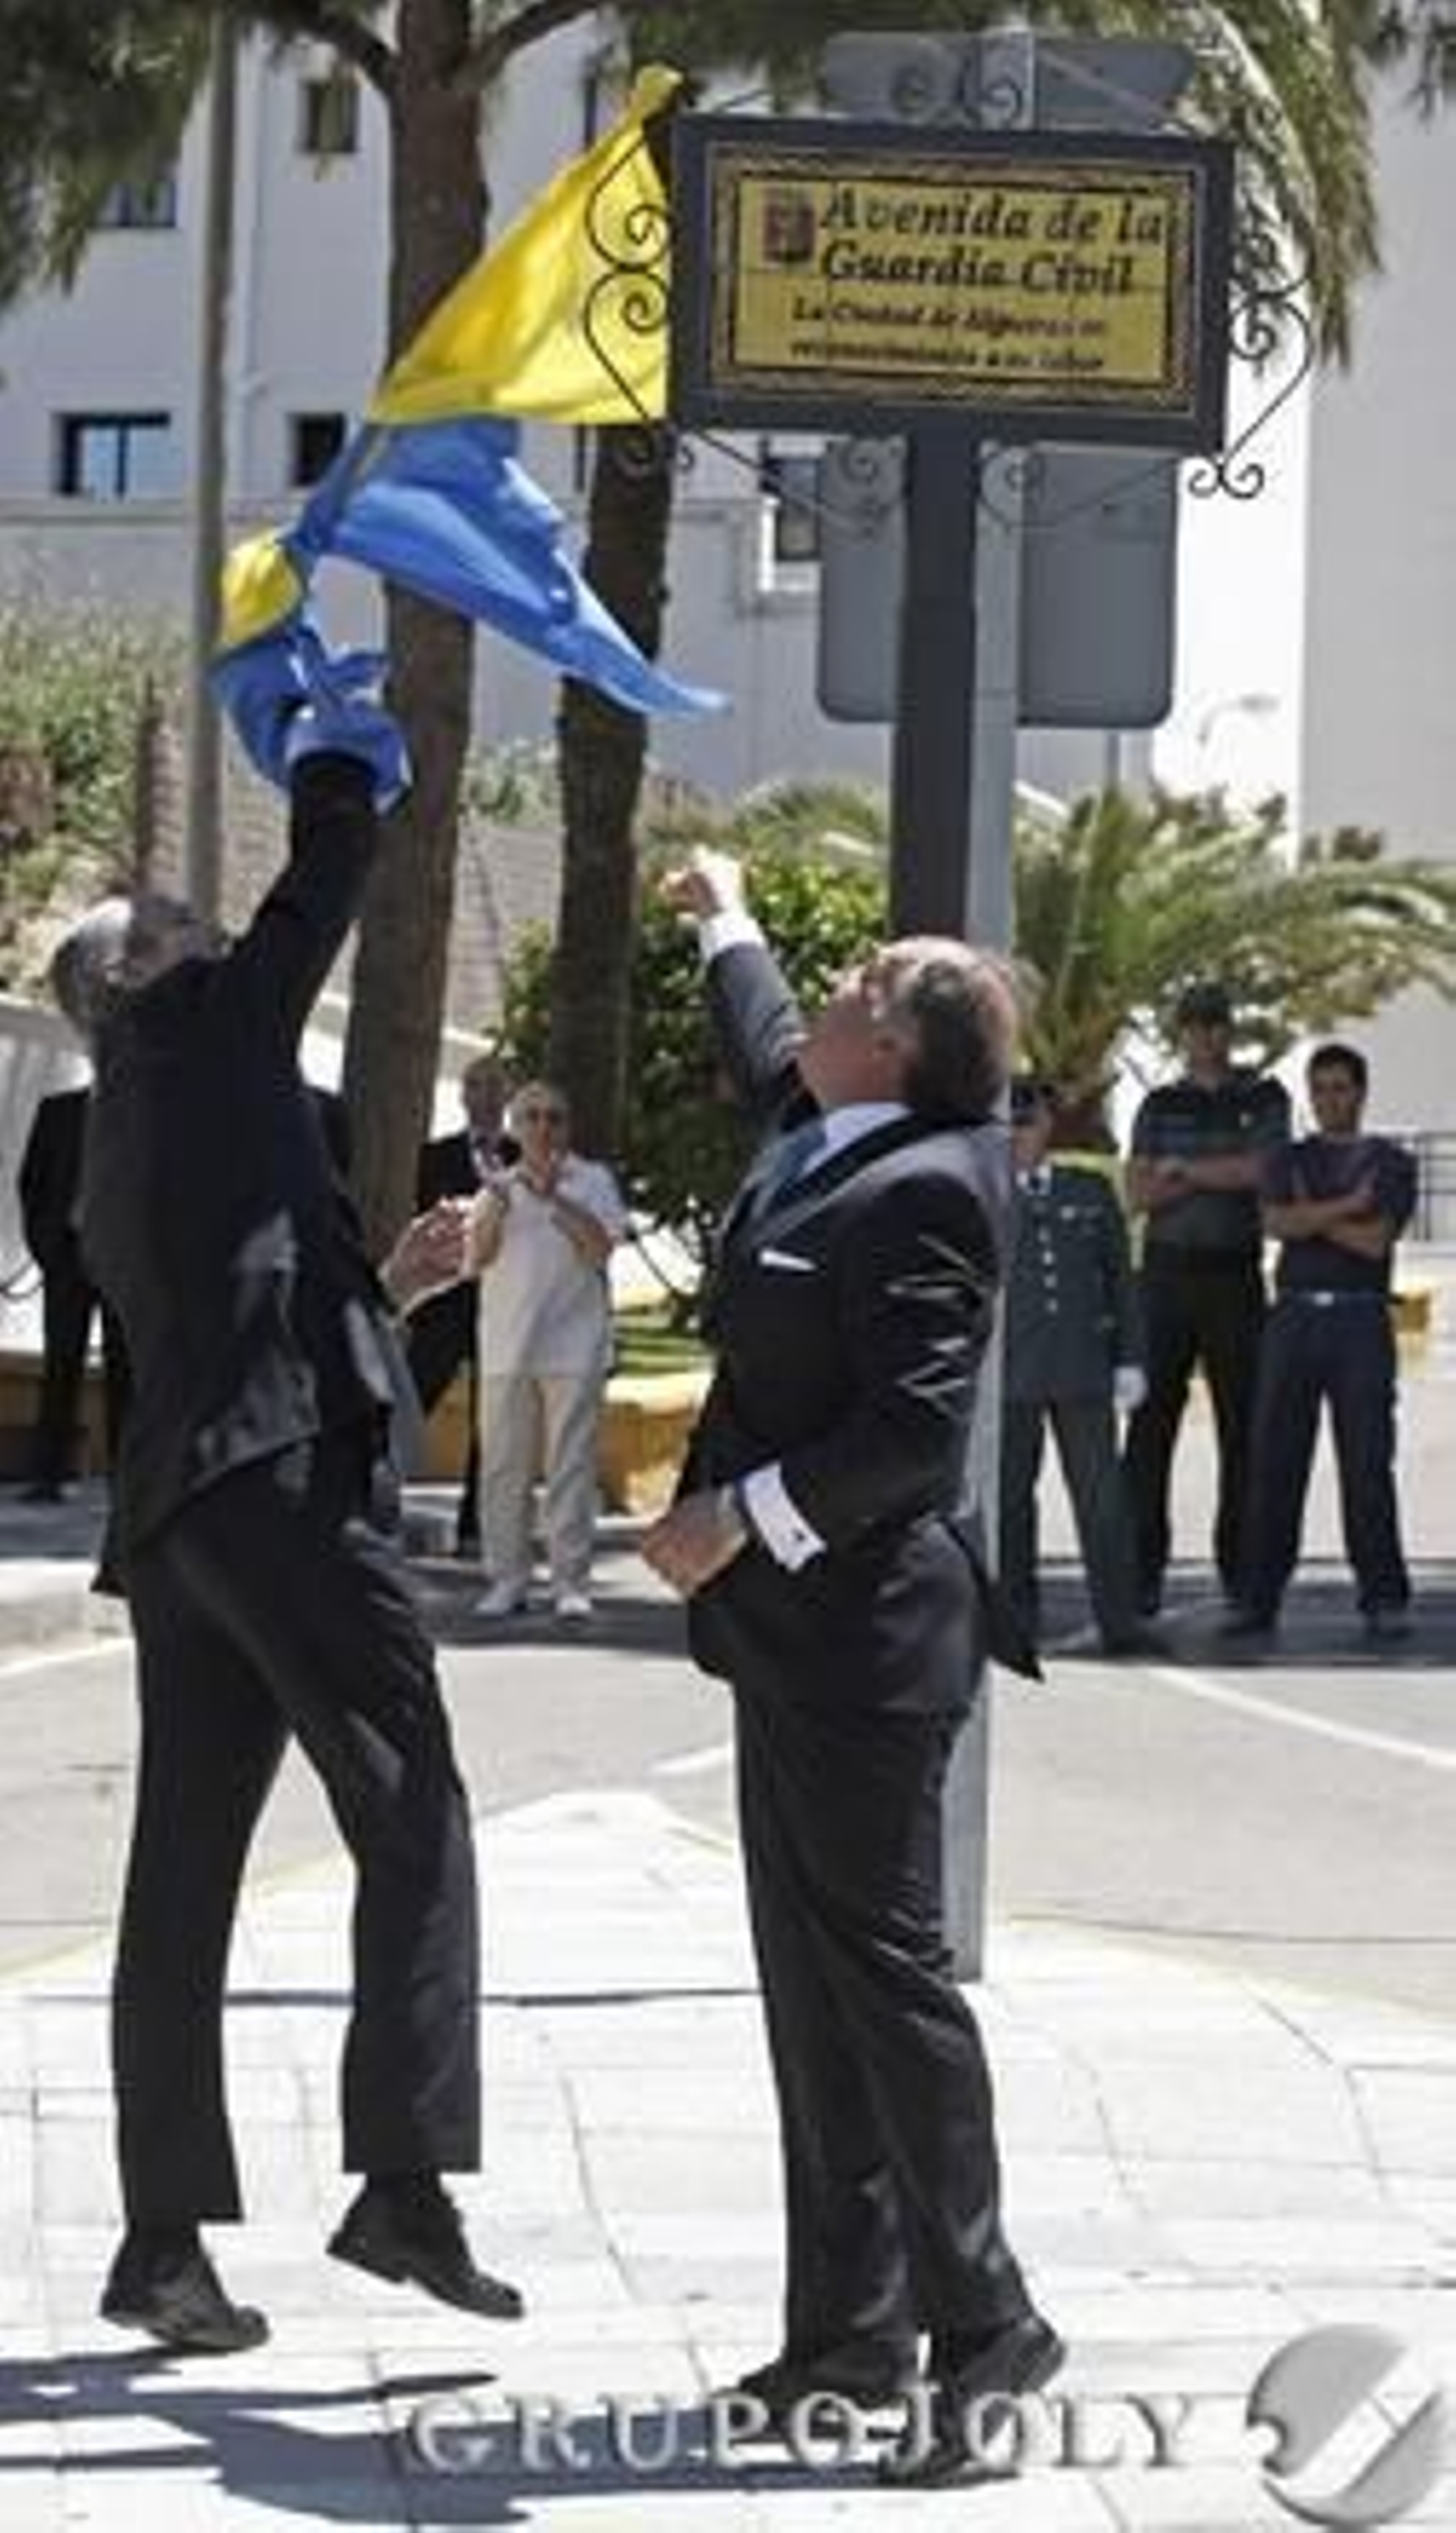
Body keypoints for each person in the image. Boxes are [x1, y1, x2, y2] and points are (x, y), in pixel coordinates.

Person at [48, 614, 521, 2357]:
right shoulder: (197, 1035)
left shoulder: (140, 1126)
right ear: (137, 982)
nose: (201, 935)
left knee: (183, 1876)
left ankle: (160, 2241)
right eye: (174, 933)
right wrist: (342, 751)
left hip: (186, 1522)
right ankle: (401, 2177)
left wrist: (384, 1288)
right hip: (278, 1499)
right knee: (416, 1809)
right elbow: (316, 895)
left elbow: (238, 1305)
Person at [641, 849, 1061, 2490]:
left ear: (894, 1043)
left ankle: (989, 2326)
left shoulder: (935, 1187)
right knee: (811, 1991)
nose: (823, 986)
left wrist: (734, 1513)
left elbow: (913, 1436)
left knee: (886, 1987)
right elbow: (769, 1044)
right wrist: (724, 913)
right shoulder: (837, 1130)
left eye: (855, 978)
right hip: (791, 1642)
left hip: (869, 1643)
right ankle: (845, 2334)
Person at [1224, 1042, 1418, 1647]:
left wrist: (1314, 1214)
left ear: (1361, 1092)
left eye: (1341, 1087)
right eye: (1321, 1088)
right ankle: (1258, 1599)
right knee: (1275, 1464)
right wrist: (1344, 1209)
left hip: (1359, 1325)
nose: (1330, 1099)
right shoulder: (1287, 1157)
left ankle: (1383, 1596)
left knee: (1366, 1464)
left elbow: (1373, 1242)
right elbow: (1276, 1225)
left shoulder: (1392, 1162)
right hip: (1294, 1322)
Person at [1123, 981, 1290, 1615]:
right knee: (1149, 1427)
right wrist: (1214, 1171)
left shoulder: (1264, 1095)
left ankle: (1243, 1573)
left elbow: (1266, 1170)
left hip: (1234, 1276)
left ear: (1230, 1030)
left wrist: (1184, 1171)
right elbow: (1138, 1193)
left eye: (1215, 1023)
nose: (1205, 1035)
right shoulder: (1159, 1102)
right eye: (1194, 1024)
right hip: (1165, 1276)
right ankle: (1140, 1571)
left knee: (1244, 1425)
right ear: (1180, 1033)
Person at [1002, 1078, 1151, 1658]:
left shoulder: (1087, 1190)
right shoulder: (983, 1193)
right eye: (1010, 1120)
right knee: (1012, 1503)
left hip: (1082, 1368)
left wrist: (1130, 1359)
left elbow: (1122, 1281)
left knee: (1102, 1499)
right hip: (1012, 1375)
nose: (1019, 1130)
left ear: (1048, 1123)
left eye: (1030, 1118)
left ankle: (1121, 1619)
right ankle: (1014, 1619)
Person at [469, 1082, 625, 1622]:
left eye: (554, 1117)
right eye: (531, 1117)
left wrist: (556, 1196)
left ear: (567, 1126)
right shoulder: (497, 1187)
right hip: (506, 1346)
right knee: (503, 1470)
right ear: (515, 1126)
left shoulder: (594, 1181)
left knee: (571, 1469)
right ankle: (506, 1580)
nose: (543, 1127)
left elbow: (600, 1250)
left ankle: (569, 1582)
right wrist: (505, 1200)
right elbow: (478, 1258)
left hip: (574, 1345)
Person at [407, 1050, 516, 1555]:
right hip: (446, 1305)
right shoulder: (435, 1156)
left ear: (508, 1097)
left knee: (490, 1423)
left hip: (502, 1309)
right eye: (477, 1088)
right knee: (407, 1401)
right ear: (463, 1096)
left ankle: (476, 1528)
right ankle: (359, 1502)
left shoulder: (526, 1159)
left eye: (496, 1088)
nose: (486, 1098)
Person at [16, 1082, 129, 1498]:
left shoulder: (142, 1111)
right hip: (68, 1256)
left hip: (123, 1263)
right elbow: (31, 1181)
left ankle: (125, 1477)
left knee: (124, 1372)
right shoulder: (57, 1110)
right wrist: (47, 1248)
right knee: (61, 1366)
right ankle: (49, 1475)